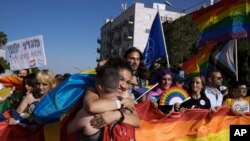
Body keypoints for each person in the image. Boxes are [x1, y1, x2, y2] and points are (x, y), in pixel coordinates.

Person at [67, 56, 139, 140]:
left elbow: (137, 121)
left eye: (128, 82)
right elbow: (92, 107)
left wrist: (117, 115)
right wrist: (123, 103)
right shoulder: (93, 90)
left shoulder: (127, 97)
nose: (124, 86)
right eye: (120, 79)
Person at [67, 65, 123, 140]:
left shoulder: (86, 114)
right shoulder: (125, 106)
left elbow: (69, 130)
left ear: (99, 87)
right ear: (118, 85)